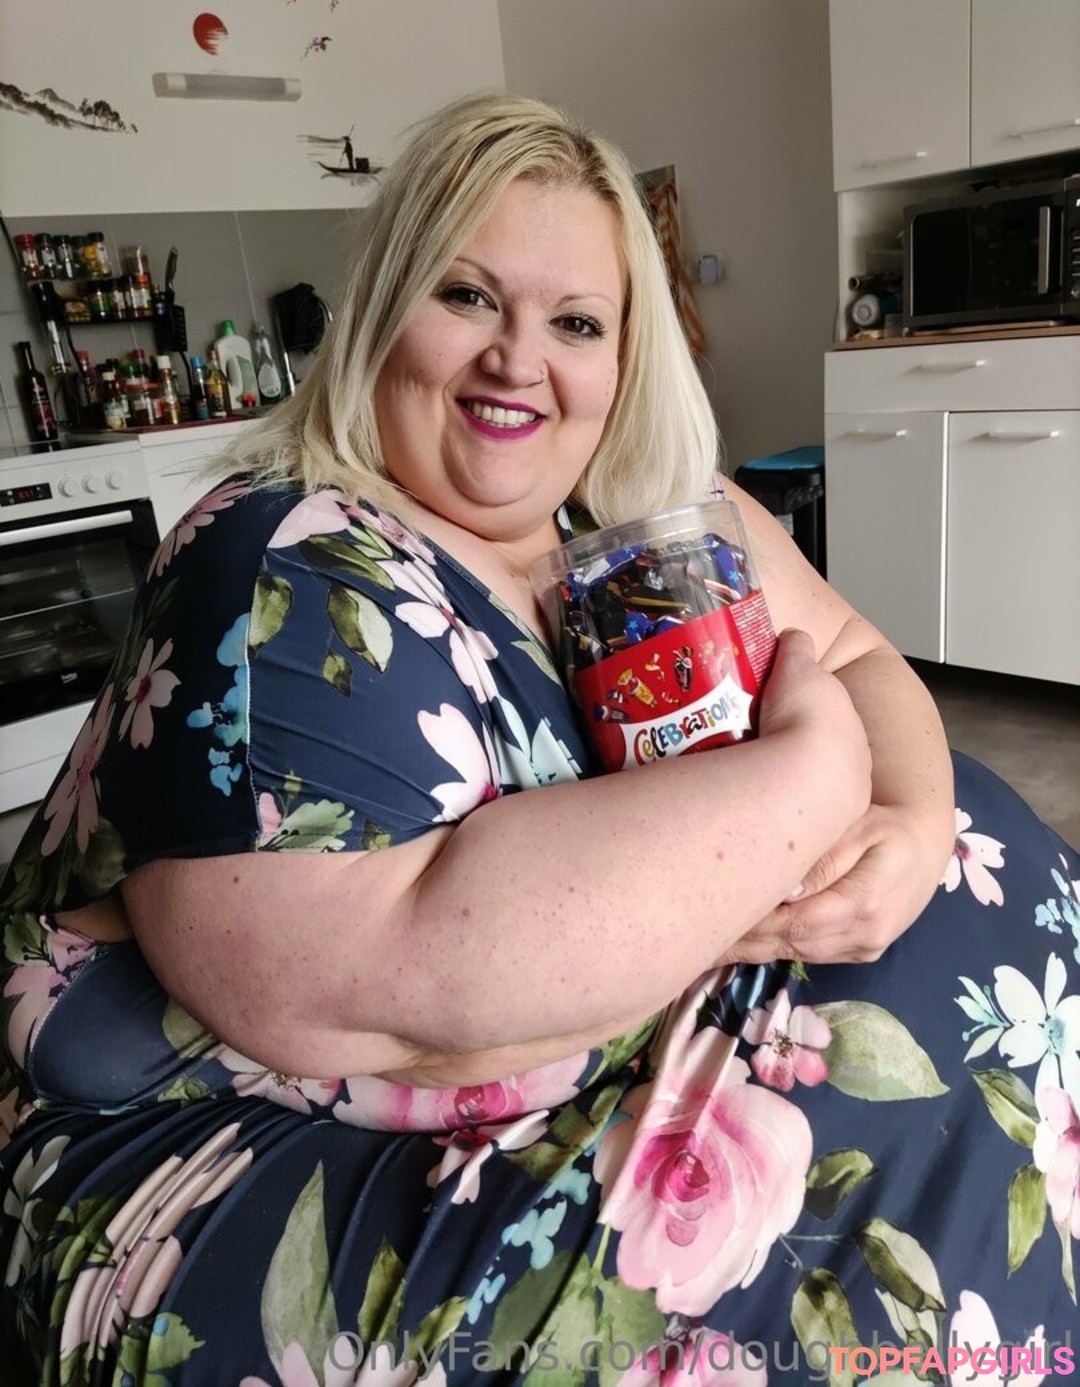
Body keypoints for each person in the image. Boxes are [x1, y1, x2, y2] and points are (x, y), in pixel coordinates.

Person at [0, 90, 1076, 1386]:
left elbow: (848, 650)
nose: (521, 360)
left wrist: (911, 819)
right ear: (382, 308)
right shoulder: (281, 564)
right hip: (237, 1172)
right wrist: (815, 778)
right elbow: (363, 988)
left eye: (576, 322)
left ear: (626, 356)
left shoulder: (634, 505)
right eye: (467, 297)